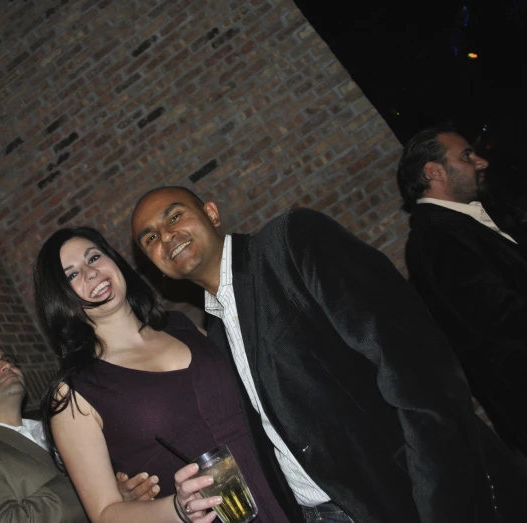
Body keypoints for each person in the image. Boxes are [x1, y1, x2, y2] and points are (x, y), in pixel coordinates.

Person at [131, 186, 527, 523]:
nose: (166, 237)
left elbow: (418, 367)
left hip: (416, 496)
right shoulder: (214, 338)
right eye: (149, 238)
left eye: (174, 217)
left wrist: (445, 501)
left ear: (212, 214)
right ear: (156, 268)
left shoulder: (290, 243)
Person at [35, 227, 291, 523]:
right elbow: (105, 513)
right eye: (72, 275)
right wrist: (179, 508)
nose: (91, 272)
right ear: (61, 303)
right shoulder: (73, 393)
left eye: (94, 257)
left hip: (285, 489)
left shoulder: (181, 325)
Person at [397, 124, 527, 455]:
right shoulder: (436, 237)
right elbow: (496, 316)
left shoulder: (476, 216)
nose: (480, 162)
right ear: (434, 171)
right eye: (467, 155)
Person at [0, 343, 159, 523]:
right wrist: (93, 485)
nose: (5, 366)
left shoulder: (61, 426)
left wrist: (120, 493)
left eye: (7, 360)